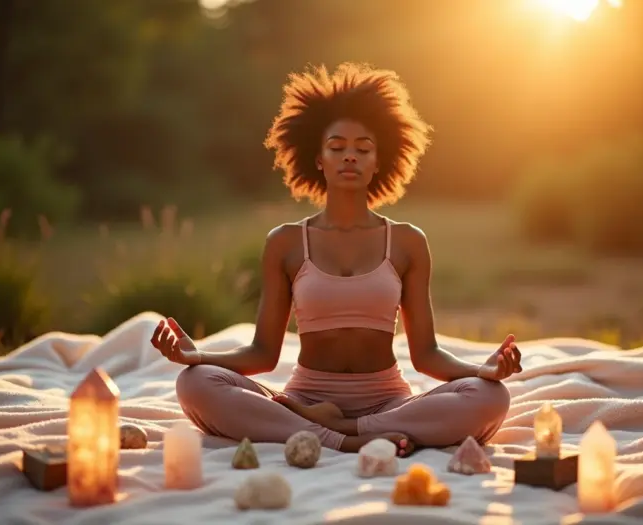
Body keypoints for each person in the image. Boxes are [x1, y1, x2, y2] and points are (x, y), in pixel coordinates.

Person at [151, 62, 522, 456]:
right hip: (306, 398)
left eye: (363, 149)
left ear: (378, 161)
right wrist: (196, 355)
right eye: (337, 147)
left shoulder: (408, 242)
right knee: (194, 382)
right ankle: (346, 439)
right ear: (318, 158)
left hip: (387, 402)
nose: (349, 157)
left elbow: (426, 355)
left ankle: (337, 430)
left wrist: (484, 370)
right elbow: (263, 353)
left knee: (491, 396)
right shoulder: (286, 242)